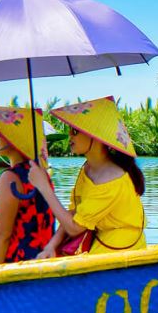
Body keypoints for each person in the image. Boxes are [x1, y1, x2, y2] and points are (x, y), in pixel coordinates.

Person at [37, 97, 147, 257]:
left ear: (94, 136)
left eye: (75, 131)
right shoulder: (88, 169)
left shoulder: (112, 179)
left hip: (122, 251)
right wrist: (51, 246)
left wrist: (44, 188)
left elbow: (75, 227)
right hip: (100, 242)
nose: (70, 136)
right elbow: (75, 212)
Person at [0, 105, 72, 266]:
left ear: (14, 138)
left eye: (1, 131)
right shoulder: (41, 173)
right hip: (43, 262)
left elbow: (2, 235)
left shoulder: (11, 178)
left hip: (17, 267)